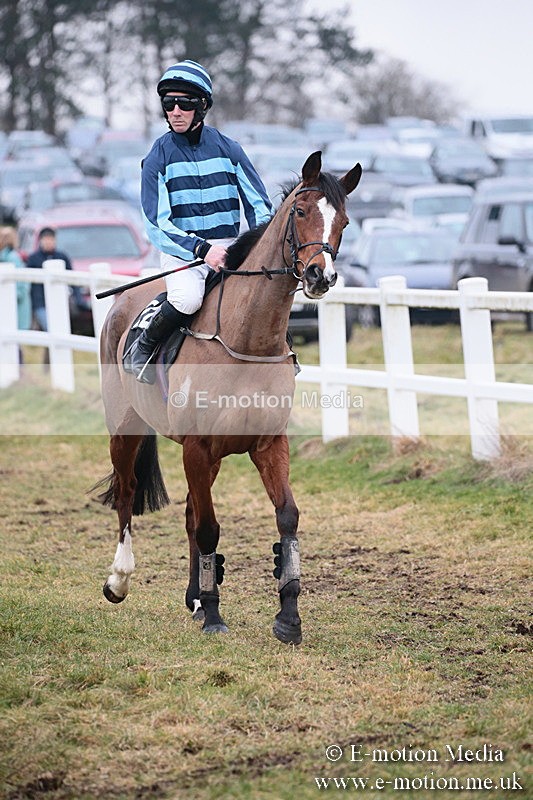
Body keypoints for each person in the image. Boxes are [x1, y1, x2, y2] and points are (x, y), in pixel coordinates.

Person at [130, 59, 273, 382]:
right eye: (169, 104)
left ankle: (281, 357)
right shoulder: (157, 157)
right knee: (187, 299)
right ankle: (146, 346)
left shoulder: (229, 149)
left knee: (261, 298)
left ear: (203, 106)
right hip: (184, 253)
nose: (176, 111)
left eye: (185, 103)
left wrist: (255, 247)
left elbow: (259, 207)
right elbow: (156, 224)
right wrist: (201, 250)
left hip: (231, 249)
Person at [26, 226, 82, 331]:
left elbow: (73, 280)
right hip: (40, 302)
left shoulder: (62, 256)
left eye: (51, 239)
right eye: (46, 239)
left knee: (61, 327)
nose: (49, 242)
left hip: (60, 299)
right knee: (50, 328)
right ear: (40, 241)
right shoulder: (33, 259)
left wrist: (78, 298)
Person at [0, 226, 31, 363]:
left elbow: (21, 286)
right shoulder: (10, 257)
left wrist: (10, 298)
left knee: (15, 339)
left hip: (16, 306)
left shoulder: (11, 258)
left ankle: (18, 369)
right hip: (10, 305)